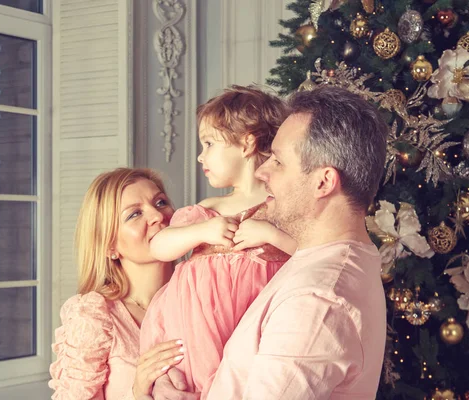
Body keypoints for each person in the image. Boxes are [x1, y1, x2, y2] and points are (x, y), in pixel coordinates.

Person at [154, 85, 389, 399]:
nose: (262, 170)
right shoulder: (326, 263)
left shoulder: (317, 302)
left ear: (323, 182)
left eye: (278, 162)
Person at [140, 85, 297, 396]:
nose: (201, 156)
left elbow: (312, 256)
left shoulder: (281, 208)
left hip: (255, 321)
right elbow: (158, 246)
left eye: (209, 143)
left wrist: (271, 235)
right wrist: (202, 232)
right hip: (200, 329)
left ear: (247, 142)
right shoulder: (208, 209)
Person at [49, 168, 187, 400]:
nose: (158, 216)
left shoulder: (200, 293)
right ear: (110, 246)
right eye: (134, 214)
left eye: (161, 202)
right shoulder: (93, 317)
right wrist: (137, 391)